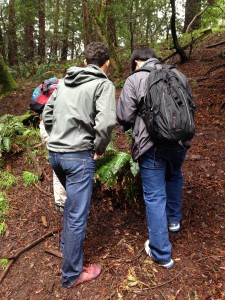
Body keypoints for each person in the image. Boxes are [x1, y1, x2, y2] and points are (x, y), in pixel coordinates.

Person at [42, 42, 116, 287]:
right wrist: (99, 148)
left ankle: (67, 247)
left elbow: (47, 114)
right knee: (76, 214)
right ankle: (72, 274)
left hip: (56, 154)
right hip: (78, 156)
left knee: (73, 205)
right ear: (107, 63)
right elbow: (106, 123)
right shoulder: (103, 84)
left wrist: (58, 137)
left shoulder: (64, 82)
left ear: (85, 62)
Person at [116, 47, 192, 269]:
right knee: (175, 176)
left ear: (138, 62)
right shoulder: (178, 75)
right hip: (180, 142)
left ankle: (161, 253)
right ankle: (173, 220)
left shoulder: (136, 78)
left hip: (152, 145)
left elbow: (124, 116)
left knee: (154, 195)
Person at [39, 119, 66, 213]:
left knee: (57, 170)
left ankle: (60, 201)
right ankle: (63, 202)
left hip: (50, 134)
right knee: (61, 170)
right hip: (55, 137)